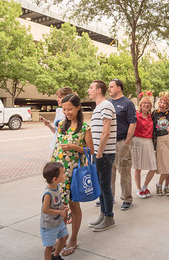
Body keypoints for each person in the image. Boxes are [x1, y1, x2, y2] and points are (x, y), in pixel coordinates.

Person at [50, 94, 94, 255]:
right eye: (64, 109)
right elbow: (56, 147)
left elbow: (91, 150)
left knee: (74, 206)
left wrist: (75, 147)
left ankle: (73, 238)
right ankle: (60, 238)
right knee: (59, 206)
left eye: (69, 109)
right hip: (58, 173)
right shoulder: (61, 124)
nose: (67, 112)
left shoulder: (84, 128)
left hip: (74, 173)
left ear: (78, 108)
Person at [88, 80, 117, 231]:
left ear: (99, 90)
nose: (88, 91)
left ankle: (109, 217)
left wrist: (99, 152)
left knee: (105, 186)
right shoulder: (98, 107)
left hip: (104, 153)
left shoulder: (106, 105)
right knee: (100, 185)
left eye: (91, 88)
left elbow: (106, 131)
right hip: (99, 153)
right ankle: (103, 214)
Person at [108, 79, 136, 211]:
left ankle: (127, 198)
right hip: (109, 142)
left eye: (111, 87)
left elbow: (132, 123)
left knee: (124, 171)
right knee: (109, 172)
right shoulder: (108, 103)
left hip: (121, 142)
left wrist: (127, 142)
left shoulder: (127, 103)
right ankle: (109, 196)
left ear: (119, 88)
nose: (109, 89)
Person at [40, 162, 69, 260]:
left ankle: (55, 256)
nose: (65, 175)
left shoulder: (57, 187)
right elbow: (45, 210)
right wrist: (60, 212)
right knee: (49, 246)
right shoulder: (48, 194)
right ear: (55, 179)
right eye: (63, 174)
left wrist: (62, 208)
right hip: (49, 225)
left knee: (64, 237)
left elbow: (57, 204)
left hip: (58, 222)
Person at [131, 96, 157, 198]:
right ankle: (138, 189)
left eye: (148, 103)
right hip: (137, 141)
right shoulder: (136, 116)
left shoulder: (151, 116)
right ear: (140, 105)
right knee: (138, 167)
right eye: (144, 103)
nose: (146, 105)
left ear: (150, 106)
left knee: (153, 167)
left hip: (149, 142)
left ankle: (145, 186)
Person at [152, 95, 169, 197]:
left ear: (168, 105)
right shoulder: (154, 114)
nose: (162, 105)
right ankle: (159, 184)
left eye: (165, 103)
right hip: (160, 140)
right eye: (161, 102)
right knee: (167, 165)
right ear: (158, 103)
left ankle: (166, 186)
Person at [40, 87, 73, 152]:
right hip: (54, 147)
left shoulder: (72, 113)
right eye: (57, 97)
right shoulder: (58, 111)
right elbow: (56, 132)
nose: (57, 99)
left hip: (64, 149)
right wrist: (48, 125)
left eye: (60, 97)